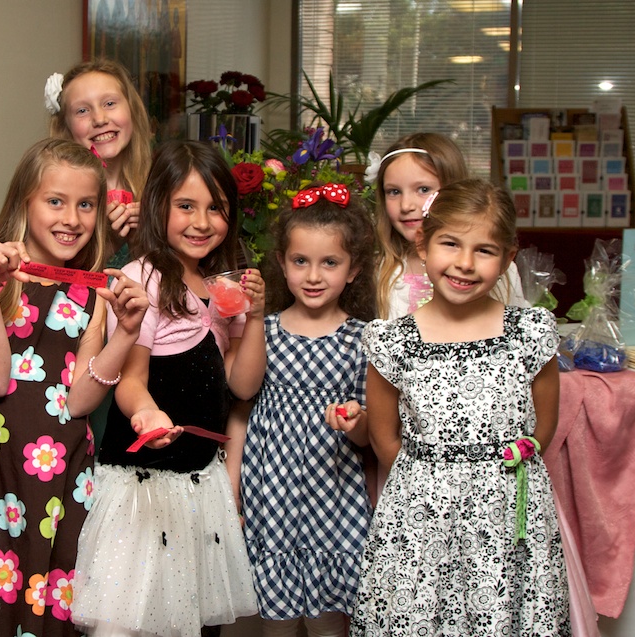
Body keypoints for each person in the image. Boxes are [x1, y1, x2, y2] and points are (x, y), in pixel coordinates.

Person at [351, 178, 569, 636]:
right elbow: (385, 439)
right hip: (421, 522)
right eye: (450, 243)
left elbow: (544, 425)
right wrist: (431, 487)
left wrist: (496, 479)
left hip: (506, 522)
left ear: (507, 258)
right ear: (423, 244)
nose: (465, 263)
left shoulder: (529, 333)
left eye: (484, 250)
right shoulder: (393, 342)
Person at [0, 138, 148, 636]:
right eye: (56, 201)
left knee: (54, 600)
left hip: (64, 470)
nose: (72, 218)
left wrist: (126, 334)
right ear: (24, 202)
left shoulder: (95, 290)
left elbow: (80, 400)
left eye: (86, 205)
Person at [71, 140, 263, 637]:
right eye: (186, 206)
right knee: (132, 621)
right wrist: (147, 414)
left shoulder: (223, 284)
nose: (202, 222)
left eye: (216, 208)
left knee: (189, 620)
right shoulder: (144, 279)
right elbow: (131, 379)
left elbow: (241, 385)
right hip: (146, 482)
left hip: (200, 483)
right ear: (159, 206)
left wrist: (257, 317)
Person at [234, 183, 376, 637]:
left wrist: (354, 422)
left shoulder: (363, 339)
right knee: (276, 622)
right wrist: (254, 317)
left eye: (330, 262)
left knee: (329, 623)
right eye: (300, 261)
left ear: (353, 270)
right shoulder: (266, 330)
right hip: (271, 492)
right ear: (282, 263)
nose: (313, 276)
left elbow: (368, 435)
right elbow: (242, 390)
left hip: (333, 493)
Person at [370, 132, 526, 320]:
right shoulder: (378, 272)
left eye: (423, 189)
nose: (406, 206)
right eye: (394, 192)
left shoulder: (499, 270)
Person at [47, 59, 154, 266]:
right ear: (66, 126)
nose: (99, 119)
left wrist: (151, 233)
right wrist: (109, 239)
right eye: (82, 111)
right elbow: (50, 272)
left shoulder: (160, 182)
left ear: (132, 109)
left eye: (110, 104)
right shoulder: (54, 196)